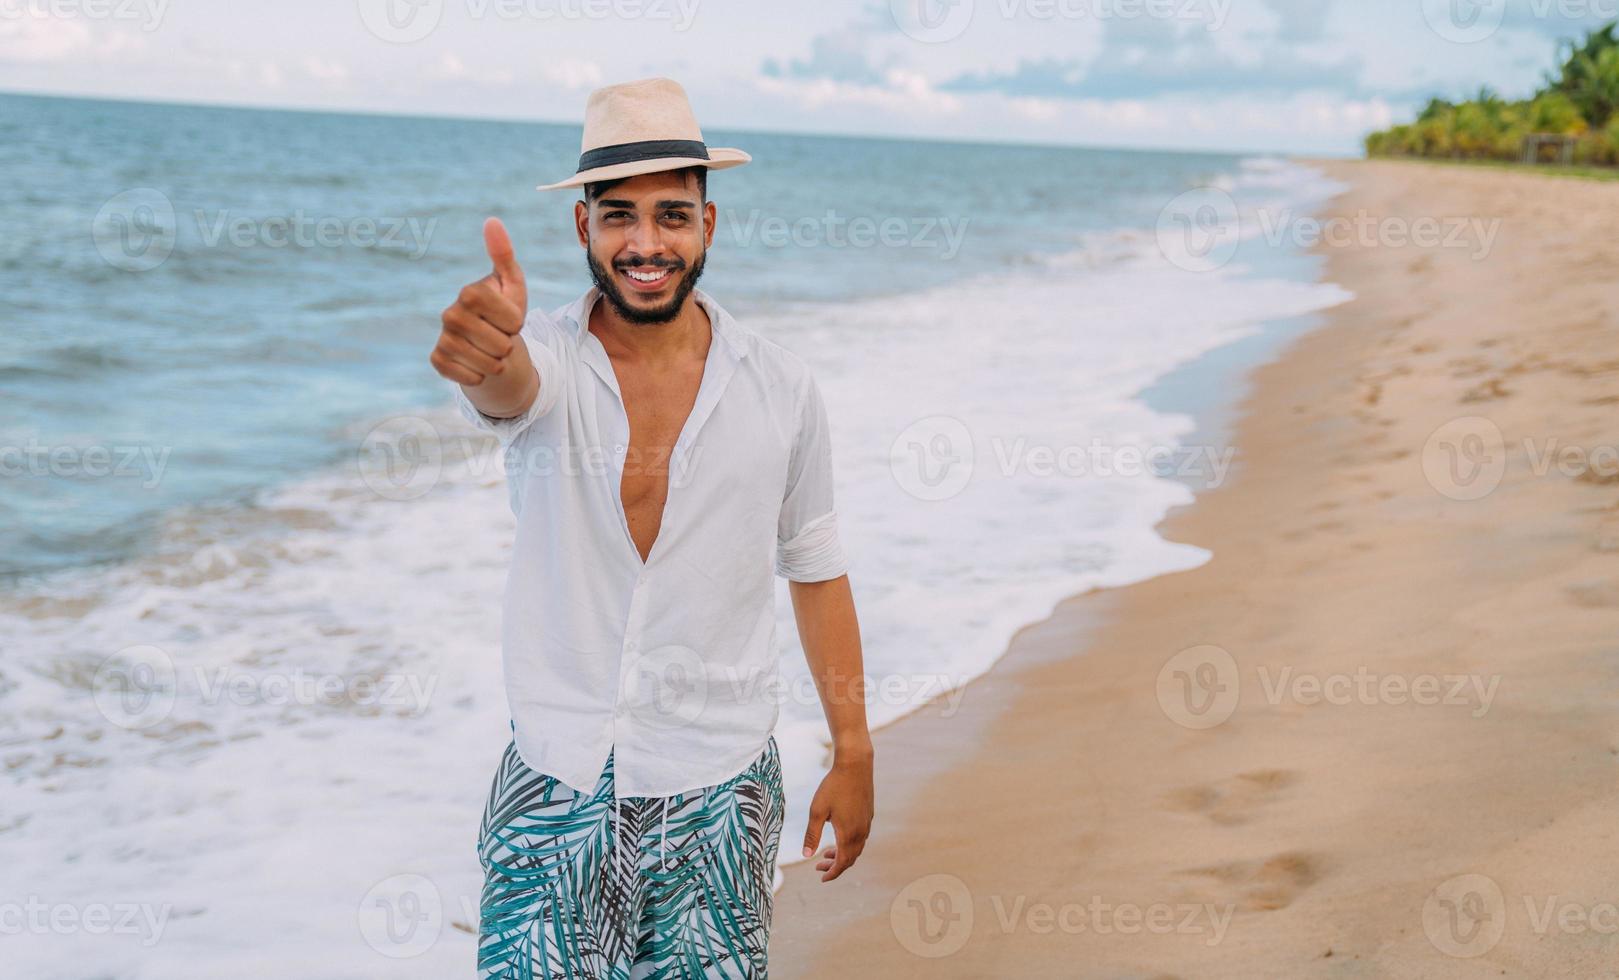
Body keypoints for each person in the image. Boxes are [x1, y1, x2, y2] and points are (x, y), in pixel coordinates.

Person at [428, 76, 874, 978]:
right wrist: (482, 355)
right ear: (582, 228)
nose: (644, 243)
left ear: (708, 225)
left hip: (720, 788)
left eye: (671, 215)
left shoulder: (780, 387)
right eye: (617, 216)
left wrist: (854, 751)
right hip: (552, 784)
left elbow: (815, 567)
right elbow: (505, 388)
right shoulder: (545, 354)